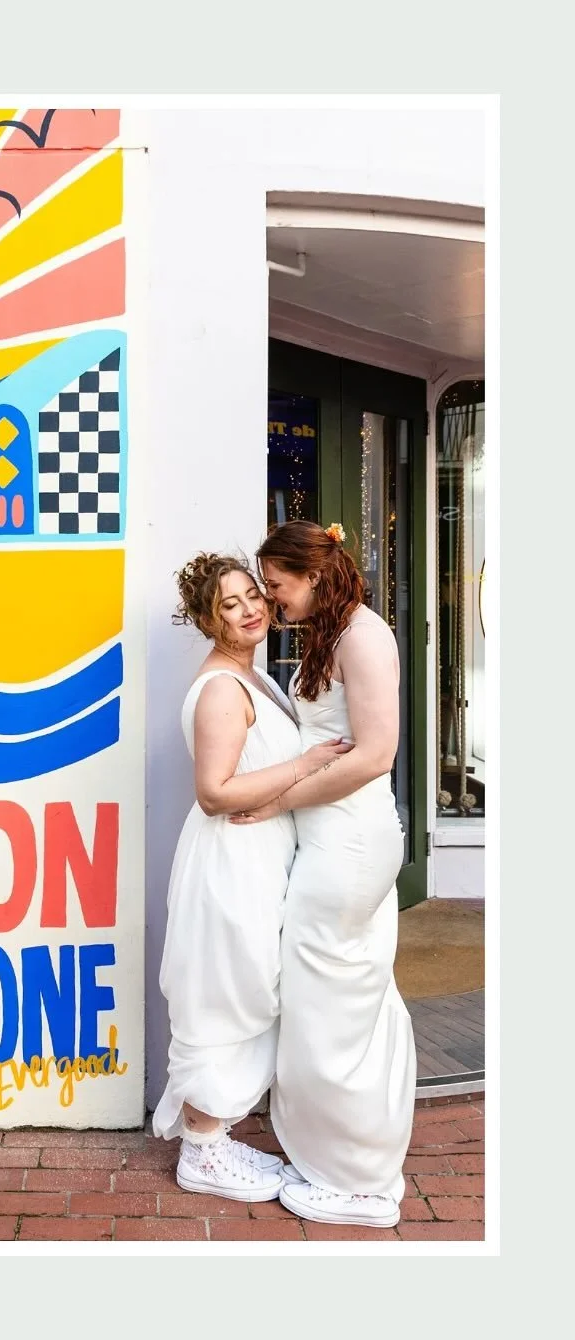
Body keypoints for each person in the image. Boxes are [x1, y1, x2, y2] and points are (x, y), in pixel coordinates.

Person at [231, 519, 417, 1228]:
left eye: (275, 585)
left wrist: (277, 799)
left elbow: (374, 755)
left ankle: (357, 1181)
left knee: (328, 1006)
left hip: (350, 845)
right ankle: (354, 1163)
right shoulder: (332, 633)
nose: (270, 599)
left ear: (313, 574)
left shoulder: (364, 637)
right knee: (344, 1001)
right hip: (333, 842)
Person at [152, 552, 350, 1201]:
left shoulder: (253, 678)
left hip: (259, 858)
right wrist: (307, 765)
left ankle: (214, 1137)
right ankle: (202, 1152)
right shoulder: (221, 689)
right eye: (229, 604)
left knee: (249, 985)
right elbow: (214, 792)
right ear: (208, 620)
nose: (248, 610)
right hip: (230, 862)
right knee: (224, 992)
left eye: (252, 596)